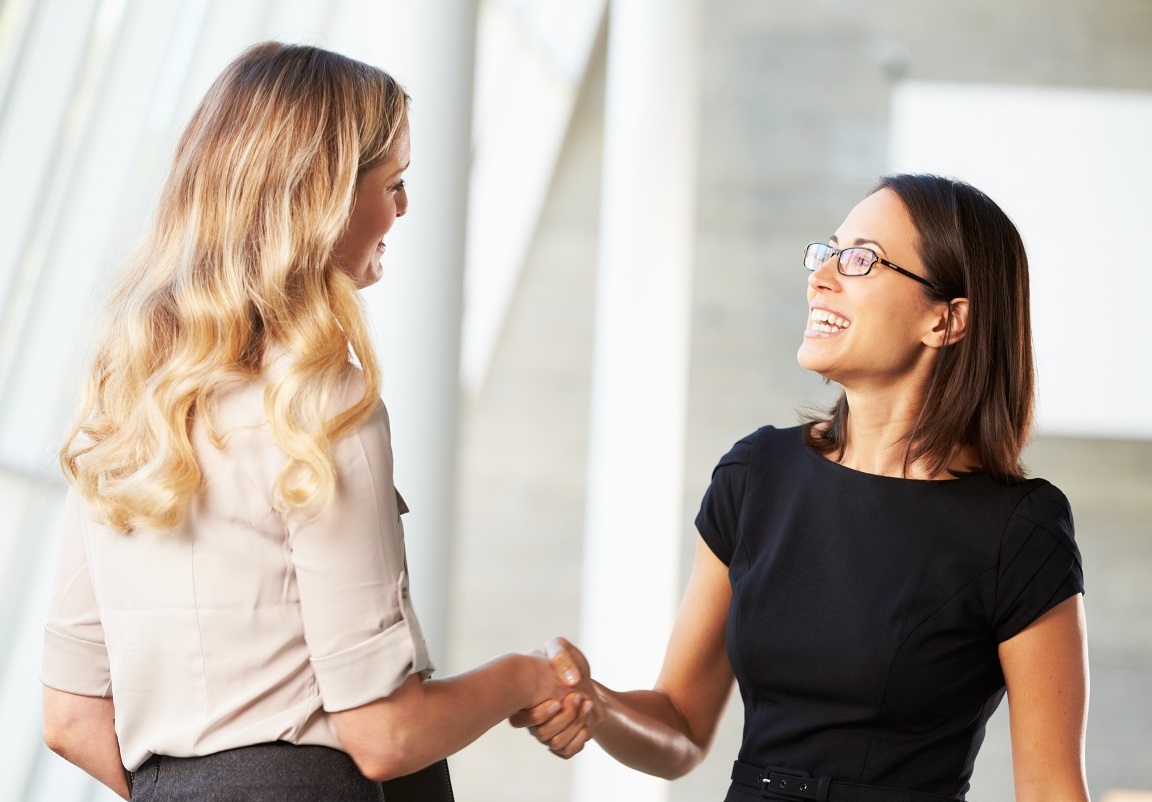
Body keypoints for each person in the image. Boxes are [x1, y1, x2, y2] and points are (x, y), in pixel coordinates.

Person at [41, 42, 575, 801]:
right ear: (319, 199)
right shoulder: (322, 408)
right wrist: (524, 677)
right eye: (392, 184)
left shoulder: (126, 403)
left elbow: (69, 717)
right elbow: (385, 736)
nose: (402, 209)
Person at [514, 174, 1090, 801]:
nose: (821, 277)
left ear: (946, 321)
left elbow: (1052, 791)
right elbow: (680, 727)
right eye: (828, 251)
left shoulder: (1019, 532)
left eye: (862, 260)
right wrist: (596, 706)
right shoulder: (756, 476)